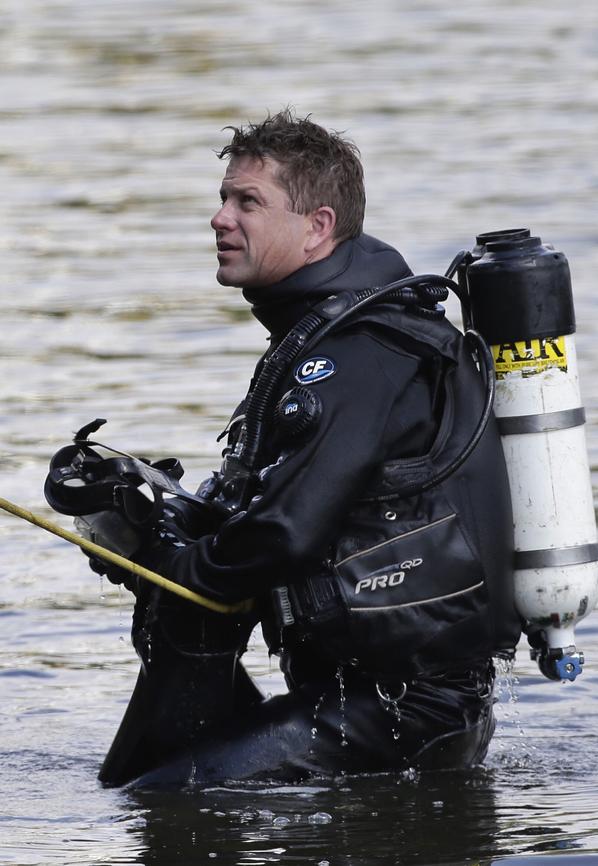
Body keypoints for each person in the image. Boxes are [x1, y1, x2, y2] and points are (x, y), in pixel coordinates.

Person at [84, 109, 522, 786]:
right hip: (363, 698)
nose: (220, 218)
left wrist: (176, 564)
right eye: (224, 198)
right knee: (145, 784)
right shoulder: (326, 339)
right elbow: (253, 519)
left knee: (163, 804)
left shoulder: (358, 354)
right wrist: (136, 526)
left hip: (403, 710)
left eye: (247, 202)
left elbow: (283, 534)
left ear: (317, 227)